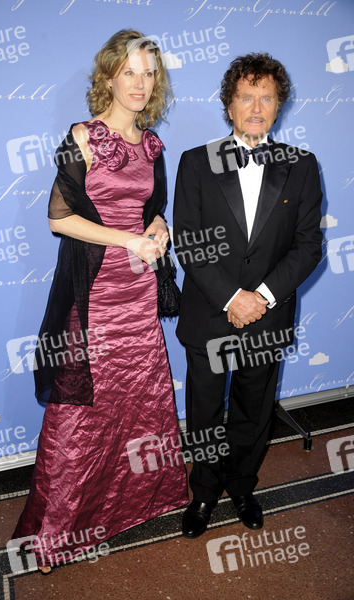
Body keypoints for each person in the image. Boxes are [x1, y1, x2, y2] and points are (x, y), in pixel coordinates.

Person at [12, 29, 188, 573]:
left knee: (141, 399)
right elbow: (58, 219)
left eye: (149, 73)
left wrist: (157, 229)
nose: (140, 83)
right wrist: (128, 240)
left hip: (139, 293)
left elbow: (150, 209)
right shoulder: (83, 136)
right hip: (94, 296)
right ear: (109, 77)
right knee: (80, 413)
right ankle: (55, 534)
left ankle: (140, 503)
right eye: (130, 71)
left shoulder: (151, 144)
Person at [173, 53, 322, 538]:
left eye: (267, 98)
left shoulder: (301, 166)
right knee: (204, 411)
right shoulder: (196, 162)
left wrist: (261, 296)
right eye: (246, 97)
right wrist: (231, 298)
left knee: (254, 410)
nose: (256, 108)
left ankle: (241, 487)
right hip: (210, 311)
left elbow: (308, 246)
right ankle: (203, 493)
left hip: (268, 314)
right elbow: (189, 242)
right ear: (228, 105)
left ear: (279, 106)